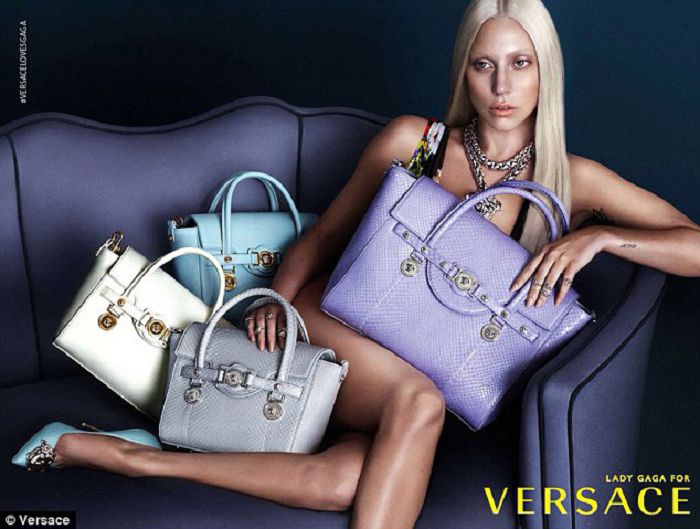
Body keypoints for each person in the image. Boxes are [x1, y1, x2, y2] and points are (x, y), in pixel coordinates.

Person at [14, 1, 700, 528]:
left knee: (343, 481)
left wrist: (601, 240)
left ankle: (131, 457)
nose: (502, 85)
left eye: (521, 63)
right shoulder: (416, 144)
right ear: (463, 70)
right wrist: (278, 304)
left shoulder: (568, 182)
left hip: (421, 371)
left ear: (545, 70)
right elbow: (322, 239)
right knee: (419, 401)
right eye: (483, 64)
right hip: (336, 325)